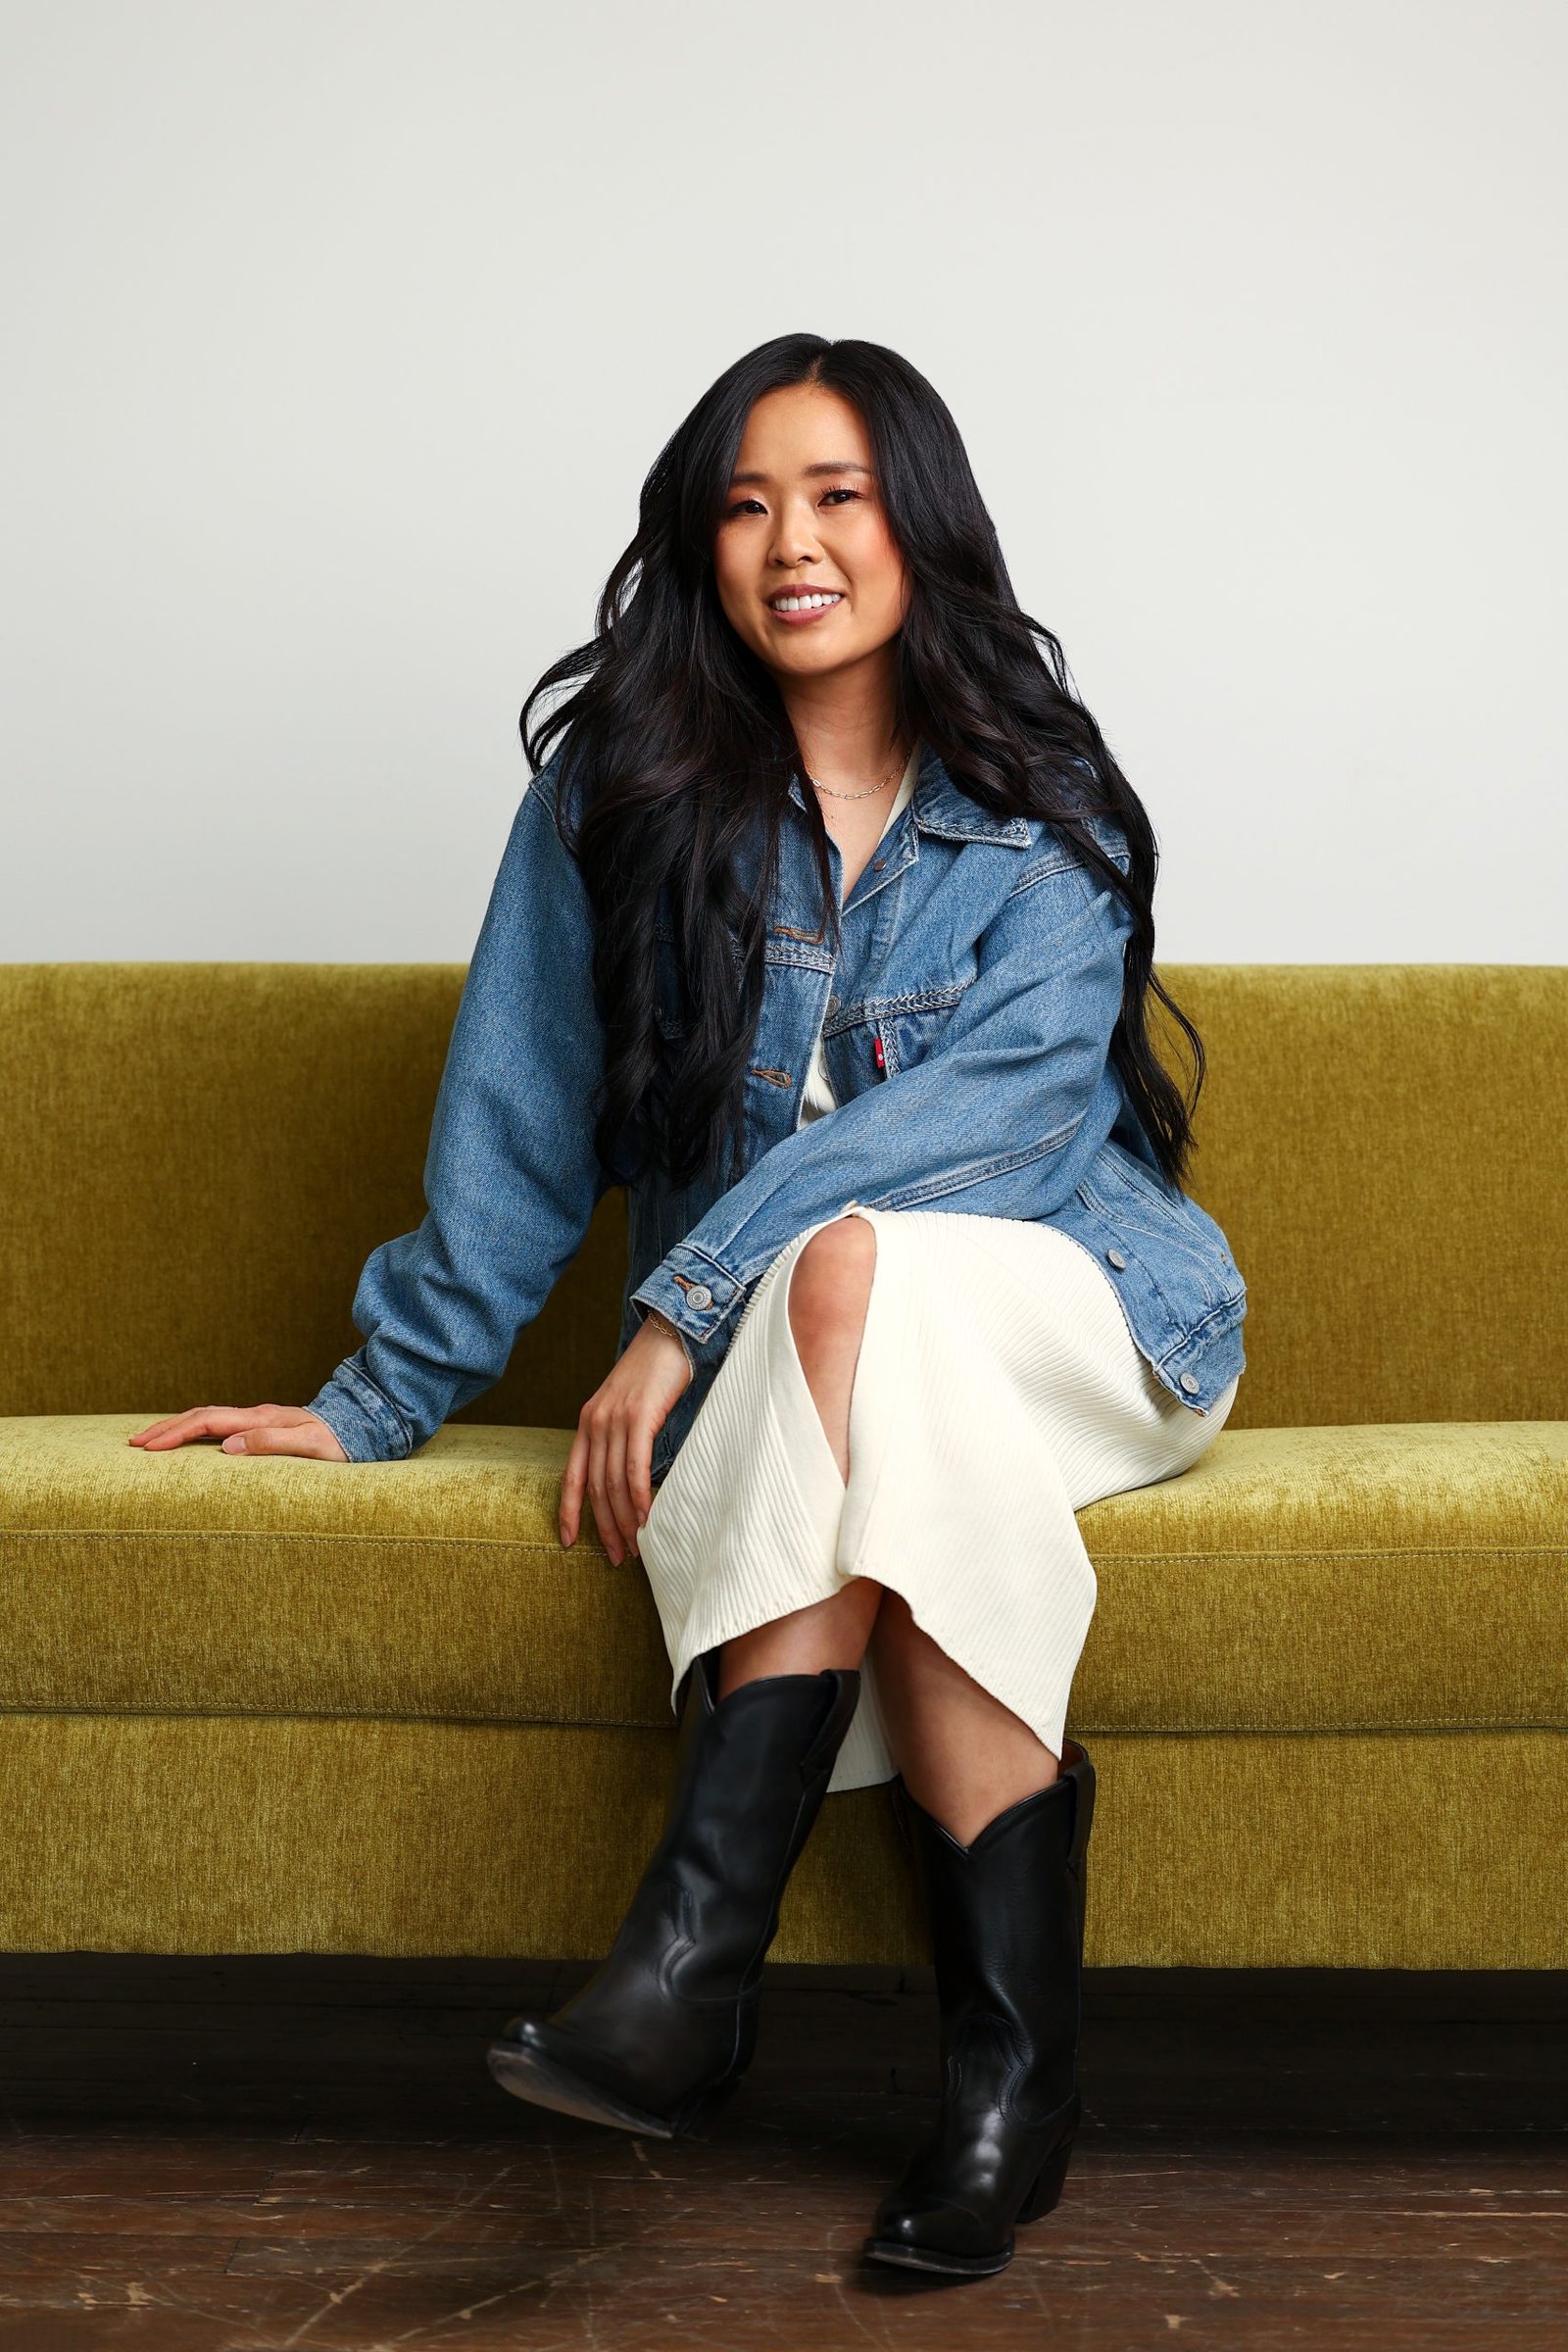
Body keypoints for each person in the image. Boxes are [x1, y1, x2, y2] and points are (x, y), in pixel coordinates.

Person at [130, 332, 1247, 2282]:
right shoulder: (617, 799)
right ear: (695, 543)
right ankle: (1008, 2092)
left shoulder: (1034, 797)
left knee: (853, 1264)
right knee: (867, 1349)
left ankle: (689, 1969)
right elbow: (513, 1112)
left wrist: (672, 1315)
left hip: (1078, 1321)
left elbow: (995, 1122)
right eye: (742, 503)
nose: (789, 541)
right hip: (840, 1365)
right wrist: (376, 1398)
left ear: (917, 527)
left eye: (833, 495)